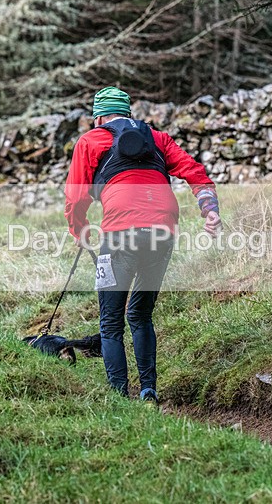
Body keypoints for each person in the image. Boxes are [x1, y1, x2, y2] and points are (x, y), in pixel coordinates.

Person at [64, 86, 221, 405]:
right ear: (127, 114)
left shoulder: (91, 140)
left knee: (110, 321)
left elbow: (75, 196)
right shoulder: (158, 138)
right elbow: (196, 173)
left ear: (98, 118)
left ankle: (120, 396)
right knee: (140, 313)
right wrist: (210, 210)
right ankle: (149, 389)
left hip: (120, 231)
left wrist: (79, 230)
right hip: (163, 229)